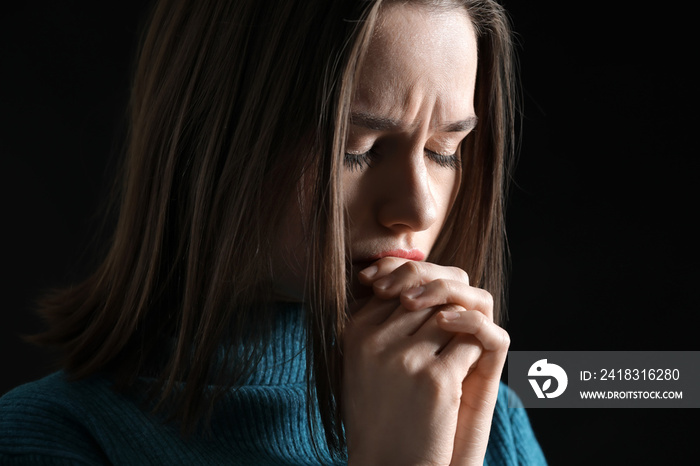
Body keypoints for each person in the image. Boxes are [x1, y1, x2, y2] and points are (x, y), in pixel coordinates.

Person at [0, 0, 547, 464]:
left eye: (442, 151)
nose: (419, 208)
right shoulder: (55, 438)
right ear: (218, 136)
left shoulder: (484, 416)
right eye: (356, 150)